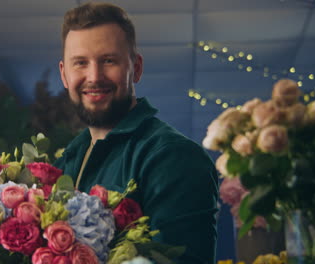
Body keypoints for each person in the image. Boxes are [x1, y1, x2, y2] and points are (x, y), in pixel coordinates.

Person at [54, 2, 219, 264]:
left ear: (136, 68)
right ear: (64, 75)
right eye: (81, 63)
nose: (94, 76)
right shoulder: (66, 160)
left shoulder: (174, 156)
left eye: (108, 61)